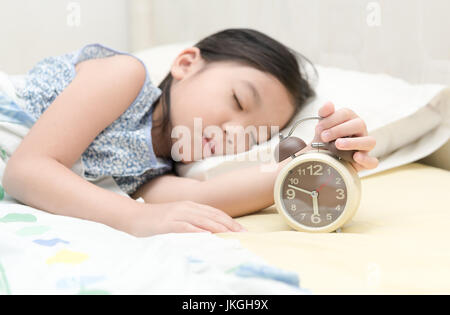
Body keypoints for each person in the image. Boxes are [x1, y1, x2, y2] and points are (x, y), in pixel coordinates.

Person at [0, 28, 378, 237]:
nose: (234, 133)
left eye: (253, 136)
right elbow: (27, 171)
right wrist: (135, 218)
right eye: (238, 100)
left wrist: (322, 156)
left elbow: (205, 197)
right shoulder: (123, 77)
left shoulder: (150, 171)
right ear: (186, 63)